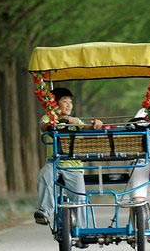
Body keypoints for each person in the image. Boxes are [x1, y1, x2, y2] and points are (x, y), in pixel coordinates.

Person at [34, 87, 103, 235]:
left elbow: (87, 127)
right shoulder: (48, 118)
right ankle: (45, 211)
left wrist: (95, 124)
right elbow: (44, 126)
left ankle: (82, 230)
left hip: (74, 165)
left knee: (79, 196)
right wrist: (57, 122)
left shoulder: (75, 121)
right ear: (55, 104)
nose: (69, 105)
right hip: (55, 163)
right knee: (45, 175)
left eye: (70, 102)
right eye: (64, 101)